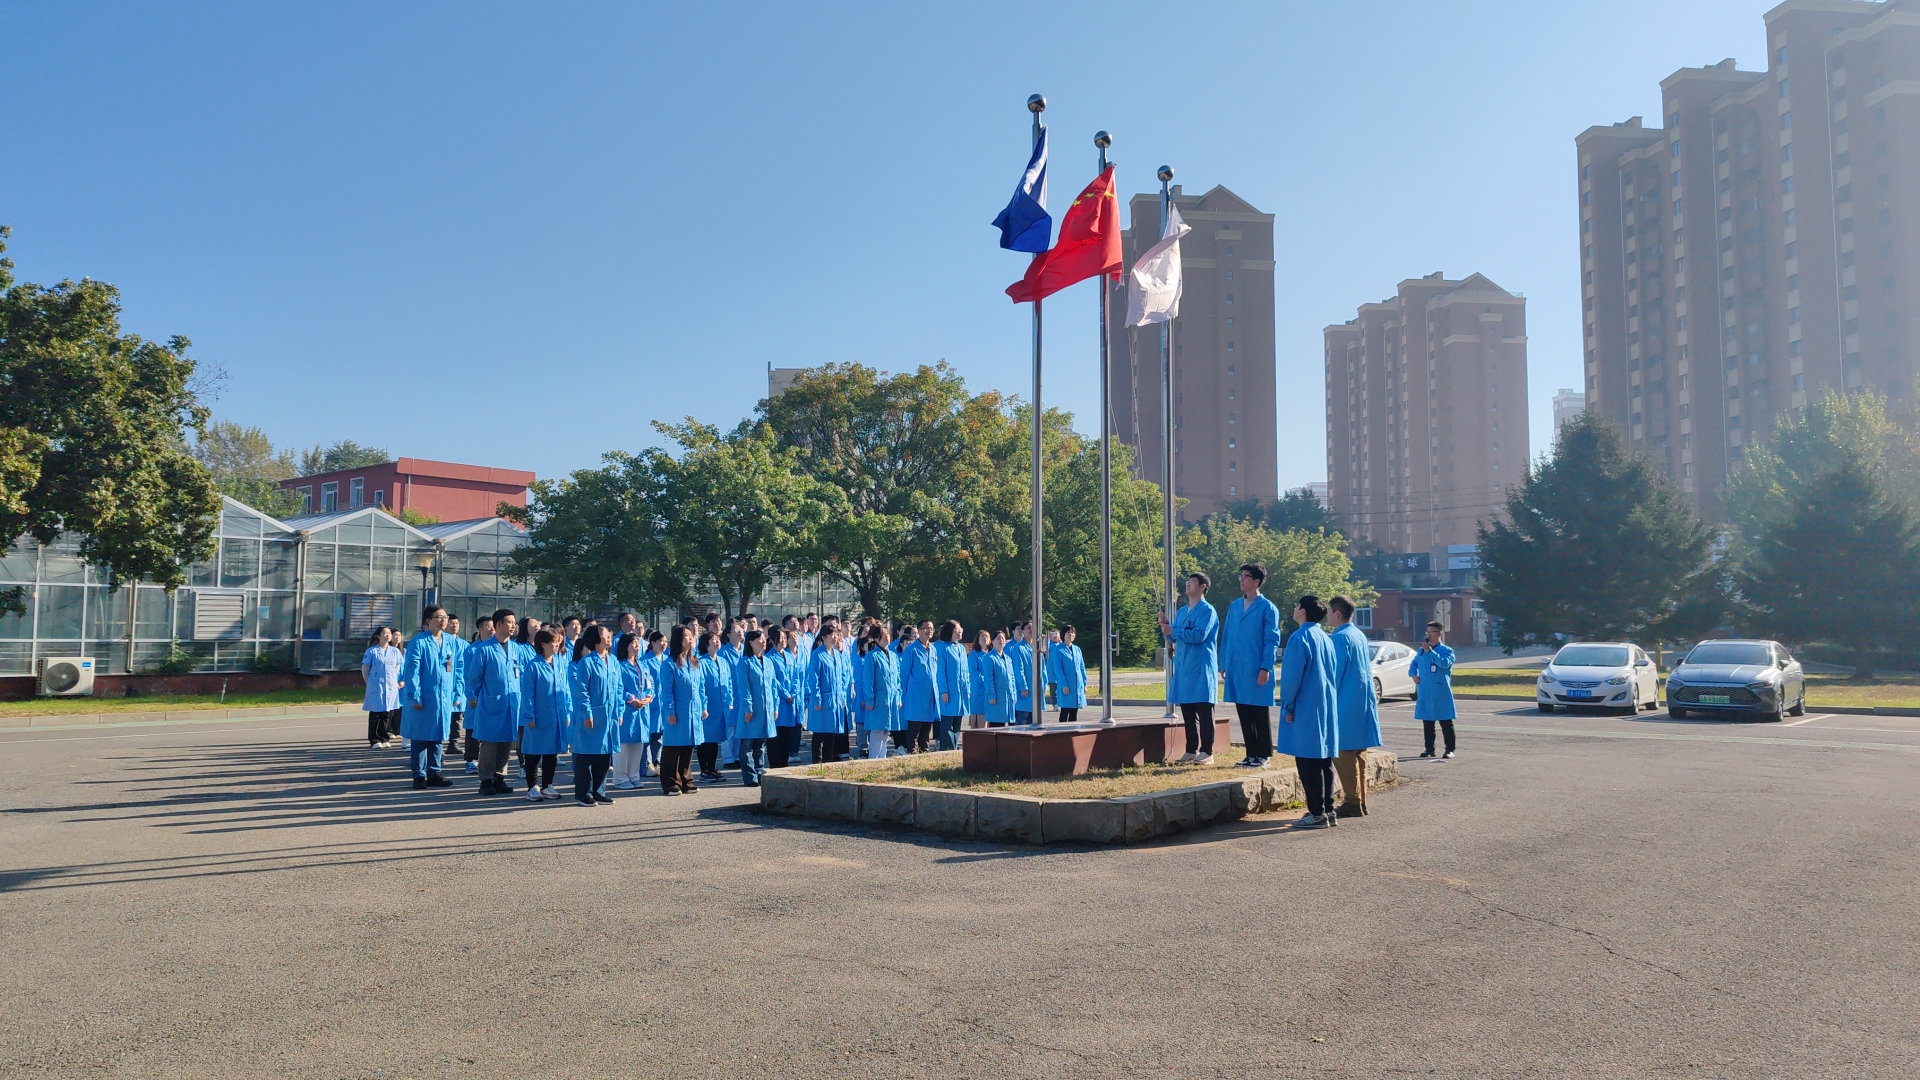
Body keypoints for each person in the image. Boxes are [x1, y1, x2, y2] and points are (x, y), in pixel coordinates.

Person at [1278, 596, 1341, 829]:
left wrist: (1288, 705)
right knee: (1324, 761)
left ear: (1302, 611)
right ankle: (1328, 809)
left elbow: (1292, 677)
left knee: (1306, 761)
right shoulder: (1326, 638)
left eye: (1296, 606)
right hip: (1324, 705)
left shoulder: (1299, 637)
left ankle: (1315, 813)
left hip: (1305, 706)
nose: (1294, 609)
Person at [1326, 596, 1383, 817]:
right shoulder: (1358, 634)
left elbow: (1335, 672)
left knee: (1342, 751)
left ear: (1337, 613)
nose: (1328, 616)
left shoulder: (1339, 638)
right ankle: (1361, 800)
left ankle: (1352, 800)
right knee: (1359, 751)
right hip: (1362, 699)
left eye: (1330, 612)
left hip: (1344, 700)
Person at [1221, 563, 1282, 768]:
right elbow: (1227, 635)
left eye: (1245, 576)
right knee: (1244, 710)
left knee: (1258, 712)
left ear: (1256, 581)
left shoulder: (1267, 607)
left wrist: (1266, 667)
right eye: (1240, 575)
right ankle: (1250, 753)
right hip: (1237, 667)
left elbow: (1271, 640)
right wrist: (1223, 663)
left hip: (1256, 667)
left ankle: (1263, 755)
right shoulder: (1235, 606)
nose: (1241, 579)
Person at [1161, 572, 1221, 764]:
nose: (1188, 585)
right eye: (1187, 582)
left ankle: (1207, 751)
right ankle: (1191, 749)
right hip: (1185, 666)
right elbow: (1174, 636)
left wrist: (1174, 631)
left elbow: (1198, 635)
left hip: (1201, 666)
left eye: (1192, 582)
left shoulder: (1207, 610)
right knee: (1187, 710)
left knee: (1204, 709)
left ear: (1203, 586)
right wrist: (1166, 628)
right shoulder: (1181, 612)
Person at [464, 609, 524, 797]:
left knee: (506, 742)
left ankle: (500, 777)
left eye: (514, 623)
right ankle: (486, 780)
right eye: (510, 622)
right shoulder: (484, 649)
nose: (513, 626)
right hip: (491, 702)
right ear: (499, 625)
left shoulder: (516, 648)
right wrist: (479, 696)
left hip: (511, 702)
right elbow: (474, 678)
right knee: (490, 744)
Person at [399, 606, 458, 789]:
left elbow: (457, 668)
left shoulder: (449, 641)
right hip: (424, 697)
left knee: (438, 736)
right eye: (439, 617)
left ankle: (435, 772)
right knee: (420, 737)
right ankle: (419, 775)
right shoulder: (419, 642)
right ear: (428, 621)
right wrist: (415, 696)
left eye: (445, 617)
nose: (443, 620)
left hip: (443, 697)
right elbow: (412, 671)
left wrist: (456, 692)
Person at [568, 624, 621, 806]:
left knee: (604, 756)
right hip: (593, 714)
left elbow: (619, 688)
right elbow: (581, 691)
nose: (609, 636)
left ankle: (599, 791)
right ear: (597, 638)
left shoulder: (613, 661)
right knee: (586, 756)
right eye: (606, 634)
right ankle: (584, 794)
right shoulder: (587, 662)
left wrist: (619, 711)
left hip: (610, 715)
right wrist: (586, 713)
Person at [517, 628, 571, 801]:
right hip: (539, 716)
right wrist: (529, 715)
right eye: (553, 642)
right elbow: (527, 693)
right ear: (543, 644)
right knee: (533, 752)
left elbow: (566, 690)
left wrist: (567, 712)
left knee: (551, 752)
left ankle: (548, 785)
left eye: (558, 641)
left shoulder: (560, 663)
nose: (557, 645)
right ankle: (532, 787)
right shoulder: (533, 665)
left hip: (556, 715)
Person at [657, 626, 708, 795]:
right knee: (673, 747)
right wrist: (670, 711)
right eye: (686, 636)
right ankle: (671, 782)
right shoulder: (669, 664)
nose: (690, 638)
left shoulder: (695, 663)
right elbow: (666, 690)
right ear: (678, 640)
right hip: (678, 710)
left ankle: (686, 780)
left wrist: (703, 706)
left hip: (694, 710)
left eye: (691, 635)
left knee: (688, 747)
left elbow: (701, 687)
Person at [610, 632, 655, 789]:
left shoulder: (643, 665)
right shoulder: (619, 665)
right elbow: (615, 688)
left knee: (638, 745)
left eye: (638, 643)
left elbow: (651, 685)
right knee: (623, 746)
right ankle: (620, 778)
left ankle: (634, 775)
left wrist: (649, 697)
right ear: (625, 646)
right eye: (633, 643)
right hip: (627, 710)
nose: (637, 646)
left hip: (642, 711)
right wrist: (631, 699)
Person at [805, 621, 854, 762]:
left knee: (831, 734)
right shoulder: (817, 655)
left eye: (836, 634)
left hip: (836, 700)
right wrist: (817, 698)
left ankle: (827, 763)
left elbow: (842, 677)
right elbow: (813, 679)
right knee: (820, 734)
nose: (835, 637)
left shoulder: (837, 654)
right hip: (823, 700)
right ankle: (817, 762)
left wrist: (843, 697)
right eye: (831, 634)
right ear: (823, 638)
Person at [736, 630, 779, 786]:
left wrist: (775, 707)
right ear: (750, 642)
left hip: (766, 709)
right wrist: (747, 707)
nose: (763, 641)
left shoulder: (768, 662)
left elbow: (773, 686)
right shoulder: (744, 662)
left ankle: (760, 773)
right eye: (759, 639)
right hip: (752, 709)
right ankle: (750, 776)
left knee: (760, 744)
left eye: (764, 639)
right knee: (747, 743)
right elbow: (744, 687)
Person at [1411, 620, 1458, 759]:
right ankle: (1429, 749)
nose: (1428, 635)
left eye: (1432, 632)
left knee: (1445, 722)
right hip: (1425, 690)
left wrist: (1430, 652)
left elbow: (1444, 664)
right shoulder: (1421, 651)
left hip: (1440, 691)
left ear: (1440, 633)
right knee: (1427, 722)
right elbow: (1413, 664)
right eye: (1427, 632)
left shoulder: (1447, 651)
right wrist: (1413, 674)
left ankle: (1450, 749)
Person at [858, 625, 904, 760]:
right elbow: (868, 680)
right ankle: (873, 760)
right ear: (876, 638)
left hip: (891, 699)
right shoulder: (872, 656)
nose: (887, 636)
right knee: (877, 732)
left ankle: (882, 760)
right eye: (883, 634)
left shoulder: (894, 656)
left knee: (885, 733)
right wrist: (870, 700)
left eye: (887, 633)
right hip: (878, 699)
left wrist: (899, 697)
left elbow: (897, 679)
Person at [696, 632, 733, 782]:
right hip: (708, 707)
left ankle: (712, 767)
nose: (718, 642)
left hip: (721, 706)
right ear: (706, 644)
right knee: (705, 740)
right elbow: (700, 686)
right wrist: (703, 706)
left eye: (718, 640)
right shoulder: (701, 662)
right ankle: (704, 770)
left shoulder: (723, 661)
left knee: (716, 739)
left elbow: (728, 682)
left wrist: (729, 701)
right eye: (714, 640)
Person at [457, 616, 492, 772]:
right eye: (488, 627)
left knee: (489, 730)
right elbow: (467, 675)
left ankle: (488, 760)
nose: (492, 629)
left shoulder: (497, 648)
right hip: (476, 697)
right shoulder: (471, 650)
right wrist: (471, 695)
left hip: (491, 696)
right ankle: (470, 759)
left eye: (493, 627)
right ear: (480, 629)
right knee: (472, 729)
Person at [899, 622, 938, 752]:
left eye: (931, 629)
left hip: (929, 696)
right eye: (926, 628)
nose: (929, 631)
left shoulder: (933, 649)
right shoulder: (911, 650)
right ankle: (912, 753)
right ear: (919, 630)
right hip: (916, 695)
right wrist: (903, 696)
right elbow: (904, 675)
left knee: (926, 731)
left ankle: (924, 753)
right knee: (914, 729)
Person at [361, 627, 403, 748]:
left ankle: (384, 738)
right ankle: (374, 740)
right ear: (378, 636)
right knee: (375, 713)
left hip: (390, 686)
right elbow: (365, 669)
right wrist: (369, 682)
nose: (387, 635)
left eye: (389, 633)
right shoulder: (372, 651)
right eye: (384, 633)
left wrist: (393, 679)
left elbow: (397, 667)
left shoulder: (395, 651)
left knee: (387, 712)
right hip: (376, 685)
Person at [768, 626, 802, 769]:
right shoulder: (769, 657)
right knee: (777, 734)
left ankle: (784, 761)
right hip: (779, 700)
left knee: (788, 732)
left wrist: (794, 691)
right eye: (779, 639)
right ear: (771, 640)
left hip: (790, 700)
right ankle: (775, 763)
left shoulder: (789, 655)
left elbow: (796, 676)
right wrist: (785, 694)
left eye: (783, 638)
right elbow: (773, 680)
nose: (782, 641)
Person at [933, 620, 969, 750]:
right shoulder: (943, 648)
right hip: (949, 690)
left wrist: (968, 690)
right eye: (957, 629)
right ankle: (947, 749)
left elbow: (965, 671)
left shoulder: (961, 648)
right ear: (950, 631)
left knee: (957, 723)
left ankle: (954, 747)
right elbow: (940, 671)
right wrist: (944, 691)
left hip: (961, 691)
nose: (960, 631)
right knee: (947, 722)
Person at [1046, 625, 1088, 723]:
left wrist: (1084, 683)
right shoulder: (1058, 649)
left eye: (1073, 632)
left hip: (1077, 684)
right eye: (1068, 632)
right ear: (1063, 635)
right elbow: (1058, 669)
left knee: (1074, 711)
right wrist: (1064, 685)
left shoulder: (1077, 649)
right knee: (1065, 710)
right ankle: (1062, 732)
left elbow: (1082, 667)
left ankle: (1072, 733)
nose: (1071, 634)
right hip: (1066, 684)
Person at [640, 630, 667, 778]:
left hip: (665, 704)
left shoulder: (668, 659)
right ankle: (647, 764)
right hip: (651, 704)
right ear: (653, 643)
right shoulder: (645, 661)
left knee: (660, 736)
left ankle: (658, 761)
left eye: (665, 641)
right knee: (648, 736)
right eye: (661, 641)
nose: (664, 644)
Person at [981, 630, 1017, 727]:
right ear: (992, 641)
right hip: (997, 697)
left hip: (1008, 696)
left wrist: (1014, 694)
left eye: (1003, 638)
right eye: (998, 638)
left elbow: (1012, 678)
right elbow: (988, 679)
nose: (1001, 640)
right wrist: (991, 695)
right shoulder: (989, 658)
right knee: (996, 724)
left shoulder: (1008, 659)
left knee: (1011, 724)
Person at [445, 615, 469, 756]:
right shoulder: (443, 642)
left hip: (461, 684)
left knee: (458, 717)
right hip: (447, 684)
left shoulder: (464, 644)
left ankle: (454, 742)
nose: (454, 626)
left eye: (456, 623)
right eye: (451, 623)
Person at [1008, 622, 1038, 724]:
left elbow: (1042, 668)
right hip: (1025, 689)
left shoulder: (1036, 647)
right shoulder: (1018, 648)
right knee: (1022, 718)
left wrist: (1044, 684)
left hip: (1036, 688)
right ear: (1023, 631)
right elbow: (1018, 669)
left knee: (1034, 719)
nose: (1031, 630)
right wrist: (1023, 686)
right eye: (1028, 628)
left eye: (1033, 627)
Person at [965, 629, 993, 730]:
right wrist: (988, 681)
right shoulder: (974, 654)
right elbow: (974, 672)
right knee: (978, 721)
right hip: (979, 690)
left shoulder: (992, 654)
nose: (984, 638)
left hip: (991, 691)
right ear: (977, 639)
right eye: (982, 636)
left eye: (987, 636)